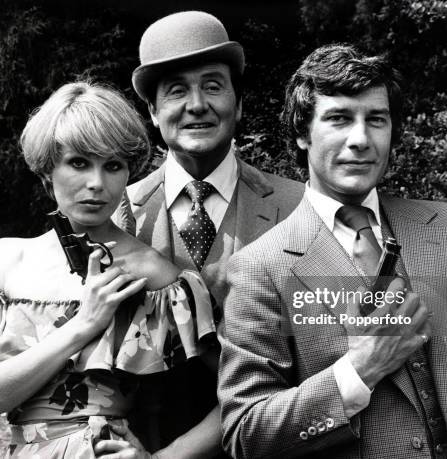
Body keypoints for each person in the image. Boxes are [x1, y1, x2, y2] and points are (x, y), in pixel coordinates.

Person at [218, 44, 447, 459]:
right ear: (301, 132)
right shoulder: (259, 268)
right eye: (339, 119)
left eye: (376, 120)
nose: (361, 139)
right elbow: (245, 433)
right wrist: (357, 372)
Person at [0, 81, 218, 458]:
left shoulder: (154, 274)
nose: (97, 184)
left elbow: (243, 389)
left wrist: (164, 458)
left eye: (113, 166)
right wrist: (84, 323)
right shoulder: (3, 261)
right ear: (48, 169)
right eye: (79, 163)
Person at [107, 11, 304, 458]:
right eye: (177, 90)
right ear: (154, 113)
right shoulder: (116, 215)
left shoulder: (301, 209)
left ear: (240, 104)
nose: (197, 104)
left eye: (213, 85)